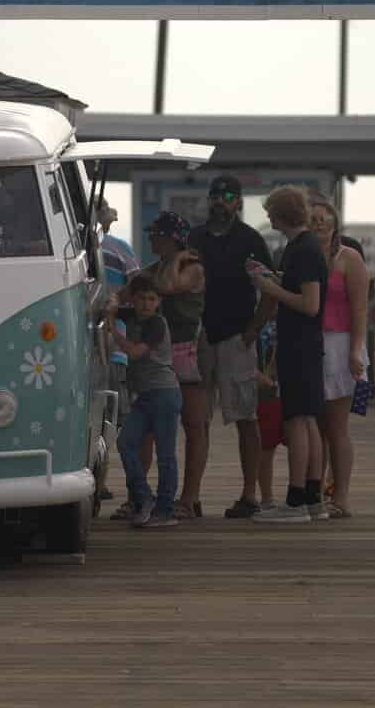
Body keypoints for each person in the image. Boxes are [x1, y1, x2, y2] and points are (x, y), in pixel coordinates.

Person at [191, 174, 276, 519]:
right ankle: (191, 497)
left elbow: (270, 288)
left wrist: (253, 331)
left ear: (238, 202)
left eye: (227, 196)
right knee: (197, 420)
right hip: (199, 338)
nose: (220, 201)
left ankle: (249, 494)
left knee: (245, 418)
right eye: (215, 195)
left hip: (237, 339)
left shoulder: (251, 240)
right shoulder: (194, 238)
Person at [249, 186, 328, 524]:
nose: (268, 219)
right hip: (305, 344)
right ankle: (313, 498)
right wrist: (276, 278)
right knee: (309, 420)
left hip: (300, 343)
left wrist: (271, 289)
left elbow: (310, 305)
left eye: (270, 213)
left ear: (282, 215)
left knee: (296, 420)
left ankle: (295, 500)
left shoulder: (304, 250)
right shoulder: (303, 248)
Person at [146, 211, 213, 521]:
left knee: (195, 423)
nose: (150, 239)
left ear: (171, 239)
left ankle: (190, 496)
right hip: (163, 353)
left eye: (156, 235)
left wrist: (175, 259)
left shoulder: (193, 268)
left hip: (190, 350)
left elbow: (170, 287)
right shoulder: (156, 267)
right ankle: (145, 495)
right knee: (153, 422)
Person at [308, 194, 368, 518]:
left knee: (336, 427)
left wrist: (356, 350)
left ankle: (341, 495)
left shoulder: (350, 259)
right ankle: (315, 491)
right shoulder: (301, 256)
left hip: (340, 344)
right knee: (313, 426)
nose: (319, 223)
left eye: (324, 217)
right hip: (309, 344)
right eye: (313, 218)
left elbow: (360, 310)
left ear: (334, 223)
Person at [107, 272, 182, 528]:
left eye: (152, 299)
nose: (147, 304)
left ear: (158, 301)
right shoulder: (132, 315)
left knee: (165, 455)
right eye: (141, 299)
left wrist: (113, 332)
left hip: (164, 393)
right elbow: (114, 304)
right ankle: (143, 497)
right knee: (125, 442)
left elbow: (136, 352)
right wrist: (113, 306)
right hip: (144, 396)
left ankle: (165, 510)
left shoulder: (156, 324)